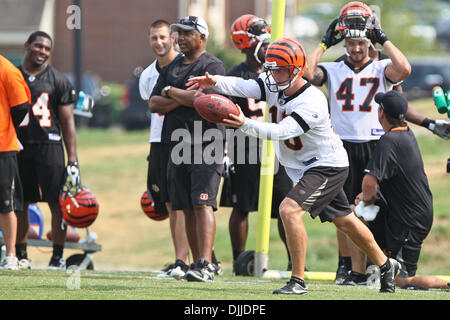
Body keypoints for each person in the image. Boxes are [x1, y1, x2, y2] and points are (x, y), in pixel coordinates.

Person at [186, 37, 400, 294]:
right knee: (346, 221)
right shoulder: (275, 82)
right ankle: (386, 265)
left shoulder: (311, 101)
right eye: (271, 68)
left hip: (325, 165)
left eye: (280, 69)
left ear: (297, 69)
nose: (273, 74)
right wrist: (215, 82)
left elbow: (281, 131)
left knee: (288, 209)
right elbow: (244, 86)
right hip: (306, 165)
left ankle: (298, 280)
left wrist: (243, 123)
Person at [302, 1, 438, 285]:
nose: (355, 48)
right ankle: (350, 268)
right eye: (350, 43)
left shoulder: (381, 68)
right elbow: (305, 73)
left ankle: (378, 262)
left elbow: (405, 68)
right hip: (342, 146)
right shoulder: (334, 68)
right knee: (345, 210)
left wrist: (383, 38)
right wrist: (324, 43)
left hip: (377, 145)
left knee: (378, 209)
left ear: (369, 42)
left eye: (360, 42)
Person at [149, 16, 226, 282]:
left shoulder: (212, 65)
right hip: (176, 144)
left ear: (202, 37)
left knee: (203, 204)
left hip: (206, 142)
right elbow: (154, 104)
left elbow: (203, 101)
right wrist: (179, 95)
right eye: (178, 33)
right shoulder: (172, 66)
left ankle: (206, 263)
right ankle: (195, 263)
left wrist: (172, 92)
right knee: (185, 206)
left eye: (186, 33)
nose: (180, 37)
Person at [356, 90, 449, 290]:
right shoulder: (405, 132)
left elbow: (370, 182)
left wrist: (367, 198)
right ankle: (362, 272)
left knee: (400, 280)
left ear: (381, 113)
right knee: (358, 211)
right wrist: (369, 197)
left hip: (410, 220)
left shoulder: (388, 141)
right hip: (410, 214)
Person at [222, 14, 293, 272]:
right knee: (242, 205)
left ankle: (294, 260)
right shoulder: (236, 75)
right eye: (263, 43)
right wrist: (225, 151)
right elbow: (222, 115)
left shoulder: (281, 70)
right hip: (246, 148)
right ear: (248, 44)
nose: (268, 48)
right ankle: (240, 260)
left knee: (288, 205)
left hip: (278, 147)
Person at [15, 31, 79, 270]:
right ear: (27, 45)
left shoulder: (58, 79)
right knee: (20, 203)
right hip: (19, 147)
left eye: (47, 48)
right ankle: (21, 256)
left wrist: (72, 158)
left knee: (57, 203)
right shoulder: (13, 76)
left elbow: (67, 121)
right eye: (38, 46)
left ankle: (58, 257)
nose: (42, 51)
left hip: (50, 146)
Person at [139, 19, 191, 279]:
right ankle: (180, 258)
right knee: (170, 203)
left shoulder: (185, 67)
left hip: (184, 138)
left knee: (188, 202)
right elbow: (154, 105)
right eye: (153, 38)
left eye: (162, 37)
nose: (158, 42)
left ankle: (194, 258)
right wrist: (175, 100)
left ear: (172, 38)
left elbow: (191, 102)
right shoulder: (148, 75)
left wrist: (171, 99)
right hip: (158, 141)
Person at [0, 55, 30, 270]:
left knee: (5, 203)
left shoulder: (6, 68)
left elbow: (21, 106)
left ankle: (11, 254)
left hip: (3, 146)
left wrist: (7, 129)